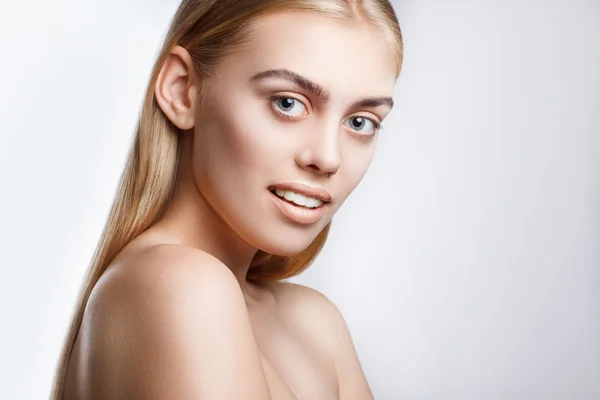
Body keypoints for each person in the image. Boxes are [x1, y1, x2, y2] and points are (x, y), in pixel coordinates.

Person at [50, 0, 403, 398]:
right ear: (181, 90)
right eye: (287, 103)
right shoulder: (177, 286)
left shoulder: (315, 323)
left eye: (360, 122)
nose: (327, 157)